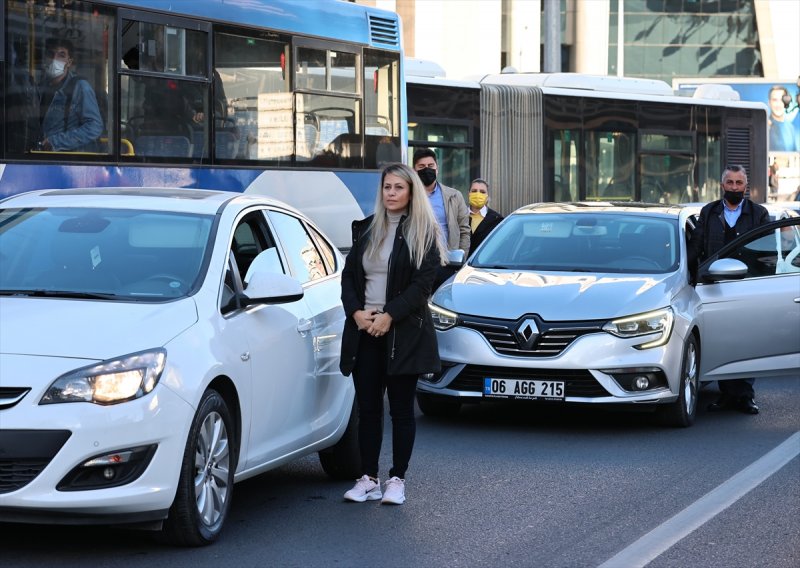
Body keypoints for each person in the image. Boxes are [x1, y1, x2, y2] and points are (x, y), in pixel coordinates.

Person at [340, 162, 447, 505]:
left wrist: (389, 315)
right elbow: (348, 277)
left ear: (411, 192)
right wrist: (356, 312)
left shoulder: (424, 232)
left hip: (403, 334)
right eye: (387, 187)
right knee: (367, 409)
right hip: (365, 330)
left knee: (401, 410)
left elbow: (422, 286)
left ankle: (397, 480)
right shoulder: (368, 229)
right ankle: (368, 478)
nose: (391, 193)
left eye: (398, 188)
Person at [688, 165, 769, 415]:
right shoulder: (709, 212)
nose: (734, 187)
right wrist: (690, 277)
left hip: (747, 287)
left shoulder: (759, 214)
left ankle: (744, 396)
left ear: (746, 186)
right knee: (721, 339)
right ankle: (726, 394)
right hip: (715, 288)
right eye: (730, 182)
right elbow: (696, 247)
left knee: (746, 340)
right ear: (722, 185)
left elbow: (767, 253)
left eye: (739, 183)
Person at [412, 148, 470, 286]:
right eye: (421, 167)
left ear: (437, 168)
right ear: (414, 171)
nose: (427, 170)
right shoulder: (408, 197)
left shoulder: (454, 196)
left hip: (447, 264)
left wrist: (460, 258)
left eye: (430, 166)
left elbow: (464, 230)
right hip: (416, 265)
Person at [38, 38, 103, 152]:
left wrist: (55, 142)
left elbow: (94, 127)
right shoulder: (40, 87)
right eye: (51, 54)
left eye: (61, 55)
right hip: (43, 156)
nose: (54, 59)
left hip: (67, 159)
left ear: (69, 62)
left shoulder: (80, 87)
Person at [467, 178, 504, 256]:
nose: (478, 194)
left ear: (487, 197)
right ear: (468, 194)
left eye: (482, 192)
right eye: (474, 191)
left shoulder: (497, 219)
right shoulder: (459, 216)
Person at [767, 85, 798, 152]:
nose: (779, 104)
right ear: (769, 103)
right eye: (775, 100)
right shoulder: (764, 126)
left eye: (782, 100)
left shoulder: (791, 128)